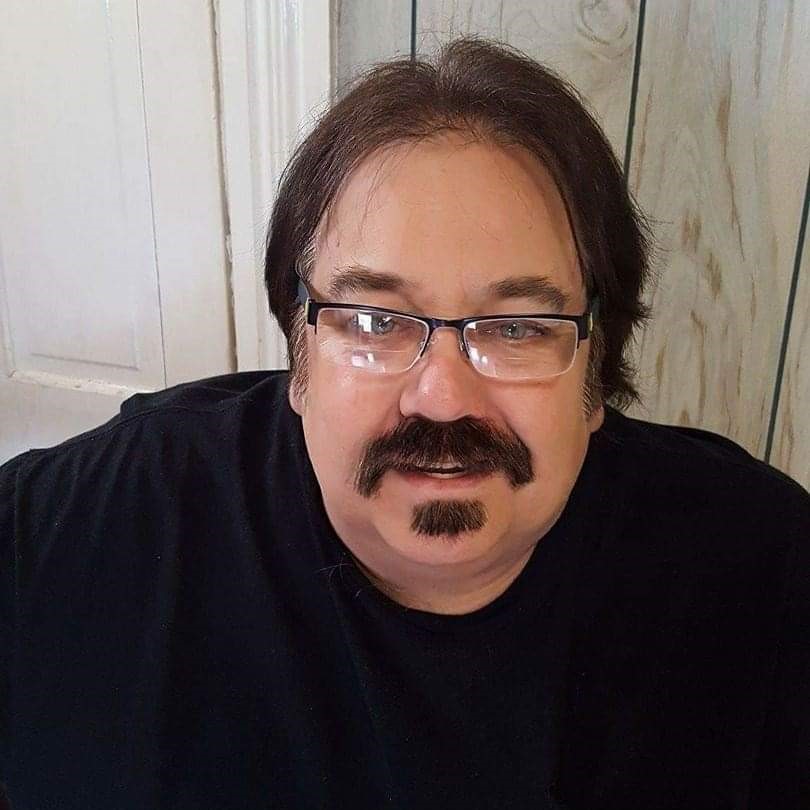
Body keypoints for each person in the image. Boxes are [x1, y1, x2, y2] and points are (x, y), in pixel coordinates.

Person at [1, 37, 808, 810]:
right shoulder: (111, 523)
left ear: (597, 375)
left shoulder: (761, 570)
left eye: (518, 327)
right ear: (299, 356)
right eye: (375, 321)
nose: (442, 399)